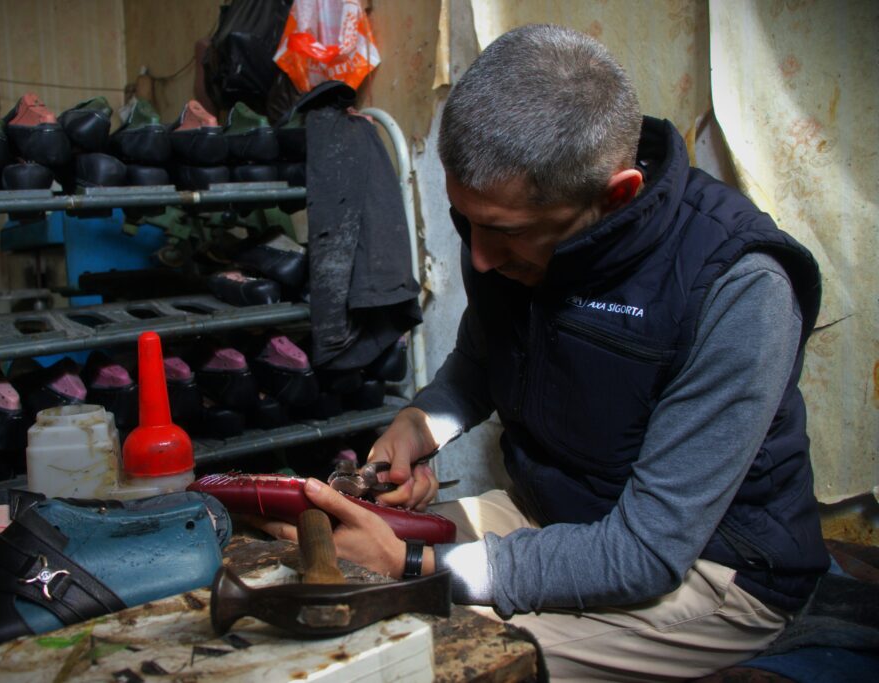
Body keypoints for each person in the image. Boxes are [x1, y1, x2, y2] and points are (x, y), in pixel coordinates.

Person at [255, 24, 829, 681]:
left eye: (504, 232)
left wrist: (413, 567)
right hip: (554, 514)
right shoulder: (506, 234)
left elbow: (643, 549)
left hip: (713, 564)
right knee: (323, 560)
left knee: (418, 661)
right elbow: (477, 367)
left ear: (614, 195)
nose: (476, 256)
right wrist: (420, 428)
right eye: (462, 221)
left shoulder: (738, 285)